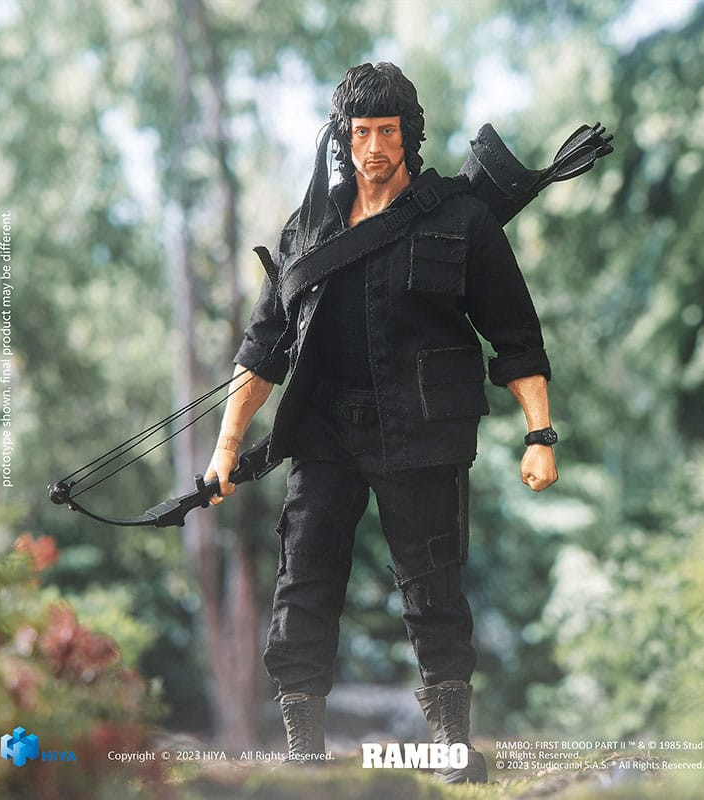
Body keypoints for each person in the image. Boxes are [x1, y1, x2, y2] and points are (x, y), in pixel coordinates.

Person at [204, 62, 558, 784]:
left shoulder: (461, 219)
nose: (374, 147)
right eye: (361, 132)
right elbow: (262, 349)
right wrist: (226, 447)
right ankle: (304, 750)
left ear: (409, 135)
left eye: (387, 131)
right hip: (324, 433)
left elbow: (517, 335)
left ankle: (450, 745)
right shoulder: (309, 228)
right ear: (342, 136)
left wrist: (539, 435)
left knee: (433, 583)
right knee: (303, 578)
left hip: (422, 430)